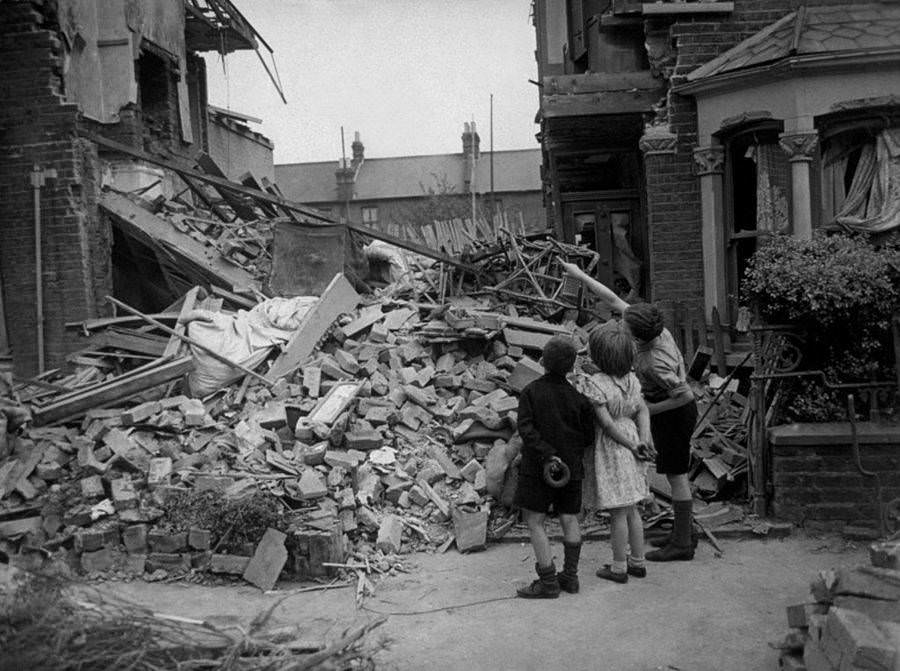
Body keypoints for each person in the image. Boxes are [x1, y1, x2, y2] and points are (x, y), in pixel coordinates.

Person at [562, 261, 698, 562]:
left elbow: (684, 396)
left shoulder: (653, 360)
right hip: (664, 408)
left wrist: (645, 408)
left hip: (675, 414)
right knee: (672, 473)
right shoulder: (654, 331)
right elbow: (612, 299)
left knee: (676, 476)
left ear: (637, 336)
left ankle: (683, 543)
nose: (619, 322)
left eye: (624, 324)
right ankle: (683, 530)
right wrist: (580, 275)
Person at [514, 335, 596, 598]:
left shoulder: (530, 392)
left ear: (542, 361)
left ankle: (548, 581)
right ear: (572, 368)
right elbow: (588, 437)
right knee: (569, 518)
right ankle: (570, 577)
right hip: (571, 468)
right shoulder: (579, 399)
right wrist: (567, 454)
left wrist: (548, 454)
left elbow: (526, 429)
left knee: (535, 520)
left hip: (538, 467)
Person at [576, 322, 654, 582]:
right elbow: (642, 410)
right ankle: (638, 561)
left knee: (618, 512)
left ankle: (619, 566)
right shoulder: (632, 379)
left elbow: (607, 424)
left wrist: (632, 445)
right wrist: (642, 440)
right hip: (631, 435)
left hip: (614, 446)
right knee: (633, 509)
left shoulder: (595, 384)